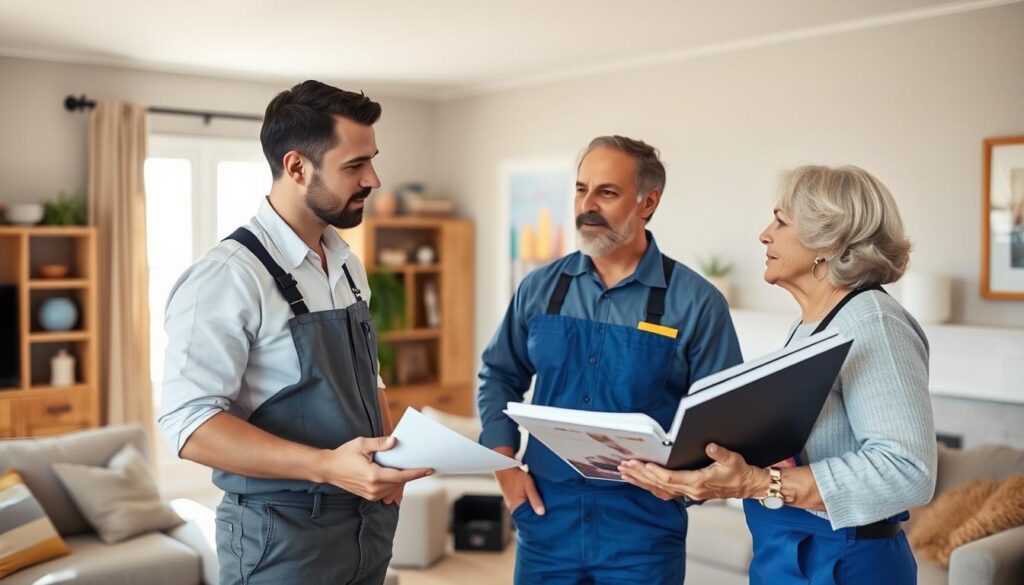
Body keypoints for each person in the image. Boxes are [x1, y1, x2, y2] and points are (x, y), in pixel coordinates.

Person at [158, 80, 432, 585]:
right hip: (278, 541)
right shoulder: (229, 276)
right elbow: (189, 425)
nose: (374, 178)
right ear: (296, 167)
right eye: (354, 165)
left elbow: (369, 381)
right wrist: (329, 466)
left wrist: (389, 454)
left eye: (372, 160)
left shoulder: (347, 266)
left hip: (366, 531)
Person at [620, 164, 937, 585]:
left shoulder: (873, 321)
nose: (764, 234)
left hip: (846, 564)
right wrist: (695, 475)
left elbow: (906, 470)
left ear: (830, 240)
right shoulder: (810, 324)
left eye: (781, 221)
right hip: (790, 554)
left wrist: (757, 483)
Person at [477, 135, 743, 585]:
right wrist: (503, 465)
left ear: (648, 202)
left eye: (607, 192)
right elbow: (499, 376)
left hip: (643, 530)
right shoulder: (540, 288)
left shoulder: (697, 303)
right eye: (581, 189)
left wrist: (687, 487)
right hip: (546, 520)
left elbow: (727, 419)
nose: (587, 205)